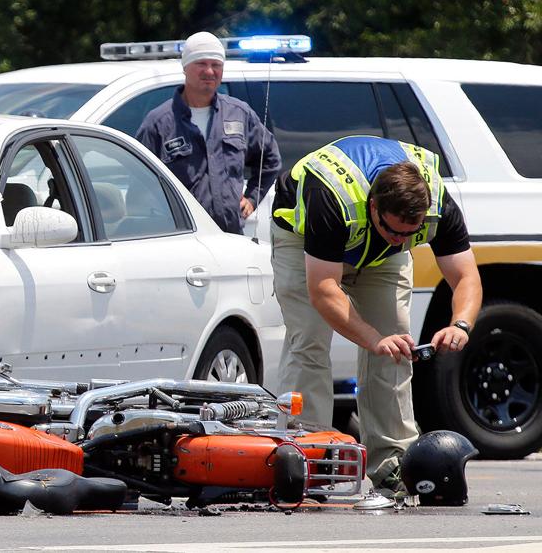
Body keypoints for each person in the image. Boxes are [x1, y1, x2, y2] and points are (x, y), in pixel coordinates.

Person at [270, 135, 482, 494]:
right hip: (303, 240)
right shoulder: (331, 198)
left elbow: (466, 276)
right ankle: (306, 455)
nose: (399, 241)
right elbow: (324, 291)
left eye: (409, 234)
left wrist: (460, 324)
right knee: (308, 341)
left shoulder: (436, 206)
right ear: (372, 207)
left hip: (370, 251)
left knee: (398, 345)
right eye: (392, 230)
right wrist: (372, 338)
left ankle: (393, 464)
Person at [136, 31, 281, 234]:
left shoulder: (239, 114)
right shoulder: (159, 123)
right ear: (185, 67)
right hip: (180, 237)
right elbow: (139, 179)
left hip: (230, 236)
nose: (210, 71)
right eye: (201, 64)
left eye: (216, 65)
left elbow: (270, 158)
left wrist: (252, 198)